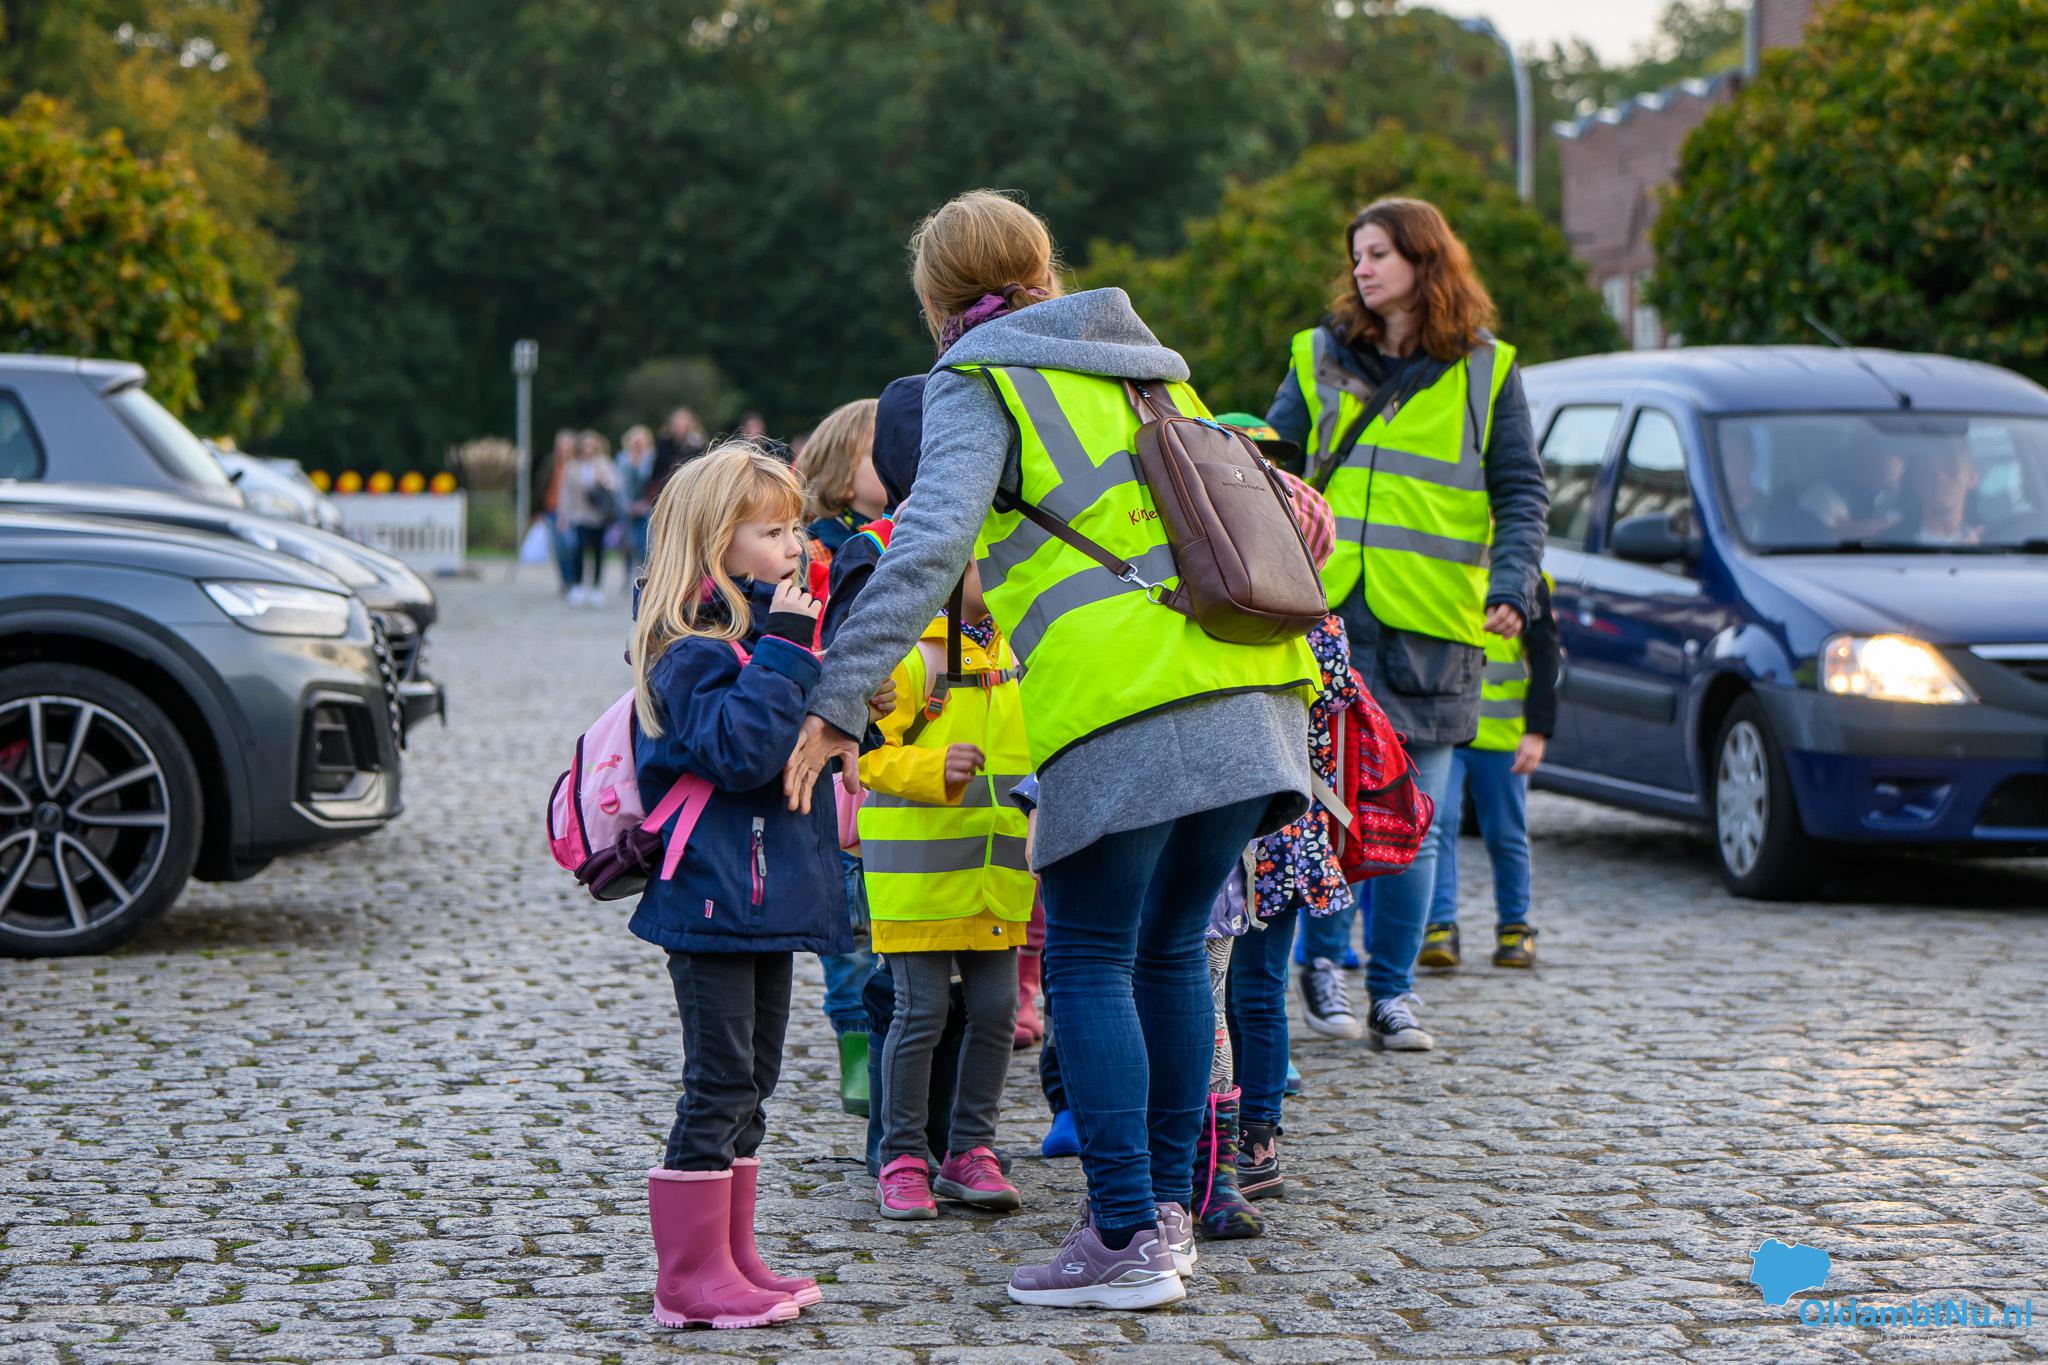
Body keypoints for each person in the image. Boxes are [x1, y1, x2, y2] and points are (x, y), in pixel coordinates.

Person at [782, 189, 1317, 1311]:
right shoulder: (1148, 370)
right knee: (1171, 954)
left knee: (1087, 957)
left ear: (937, 298)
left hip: (1124, 707)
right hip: (1256, 688)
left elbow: (926, 545)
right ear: (1043, 267)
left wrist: (838, 698)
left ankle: (1121, 1231)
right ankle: (1166, 1218)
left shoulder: (978, 379)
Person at [1265, 197, 1546, 1053]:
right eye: (1356, 254)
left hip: (1436, 622)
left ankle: (1392, 991)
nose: (1363, 268)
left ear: (1427, 260)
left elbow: (1521, 492)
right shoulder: (1317, 355)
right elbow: (1269, 464)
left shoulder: (1488, 370)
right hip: (1328, 613)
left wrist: (1513, 585)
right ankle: (1322, 967)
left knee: (1416, 821)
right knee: (1325, 808)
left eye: (1380, 252)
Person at [628, 443, 852, 1330]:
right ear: (716, 541)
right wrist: (788, 647)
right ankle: (687, 1277)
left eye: (796, 528)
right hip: (712, 896)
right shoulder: (688, 647)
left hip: (760, 895)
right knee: (718, 1081)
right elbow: (740, 750)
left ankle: (732, 1253)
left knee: (753, 1081)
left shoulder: (760, 636)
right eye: (772, 531)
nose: (795, 546)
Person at [861, 558, 1030, 1220]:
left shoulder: (1020, 648)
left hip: (995, 874)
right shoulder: (910, 652)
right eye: (988, 559)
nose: (1003, 566)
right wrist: (935, 768)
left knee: (997, 1011)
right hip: (919, 879)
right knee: (921, 1012)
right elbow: (866, 752)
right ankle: (902, 1155)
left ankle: (970, 1151)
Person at [1418, 575, 1559, 971]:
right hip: (1447, 732)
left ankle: (1515, 927)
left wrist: (1537, 731)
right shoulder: (1447, 568)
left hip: (1503, 738)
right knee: (1437, 825)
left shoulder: (1528, 580)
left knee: (1505, 833)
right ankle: (1440, 926)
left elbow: (1546, 657)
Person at [795, 398, 888, 585]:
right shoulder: (812, 556)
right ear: (840, 474)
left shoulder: (914, 535)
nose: (896, 460)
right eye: (880, 451)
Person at [559, 430, 622, 606]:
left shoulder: (604, 464)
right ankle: (578, 585)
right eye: (585, 445)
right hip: (579, 515)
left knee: (599, 552)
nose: (588, 449)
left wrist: (605, 480)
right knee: (578, 549)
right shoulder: (572, 466)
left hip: (599, 516)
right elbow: (565, 493)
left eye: (591, 445)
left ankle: (596, 587)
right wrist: (563, 515)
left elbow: (616, 485)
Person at [619, 424, 658, 573]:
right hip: (627, 507)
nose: (638, 444)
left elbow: (652, 482)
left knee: (645, 541)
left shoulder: (652, 458)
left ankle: (644, 571)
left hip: (646, 506)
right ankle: (627, 572)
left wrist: (645, 503)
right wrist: (627, 504)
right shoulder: (623, 459)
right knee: (627, 542)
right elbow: (619, 485)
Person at [650, 407, 708, 501]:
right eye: (678, 423)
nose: (680, 426)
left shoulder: (697, 444)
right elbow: (658, 469)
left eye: (683, 423)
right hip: (665, 487)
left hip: (689, 487)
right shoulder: (664, 442)